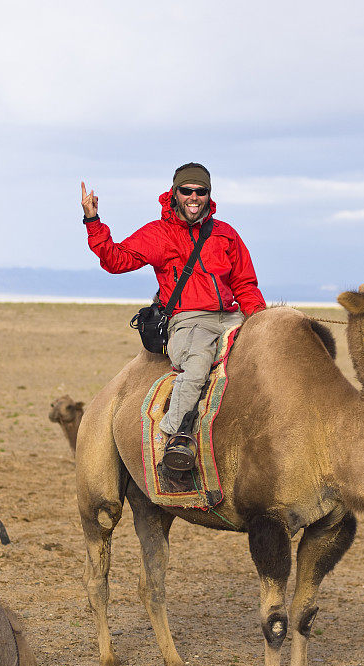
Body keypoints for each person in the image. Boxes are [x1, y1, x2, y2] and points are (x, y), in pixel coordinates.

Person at [81, 162, 266, 472]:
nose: (194, 197)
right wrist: (93, 220)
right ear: (174, 193)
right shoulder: (159, 234)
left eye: (201, 191)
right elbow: (115, 259)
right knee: (196, 366)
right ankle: (174, 438)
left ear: (208, 195)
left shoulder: (226, 234)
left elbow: (245, 285)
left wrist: (260, 323)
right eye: (187, 190)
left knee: (267, 355)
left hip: (230, 317)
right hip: (188, 321)